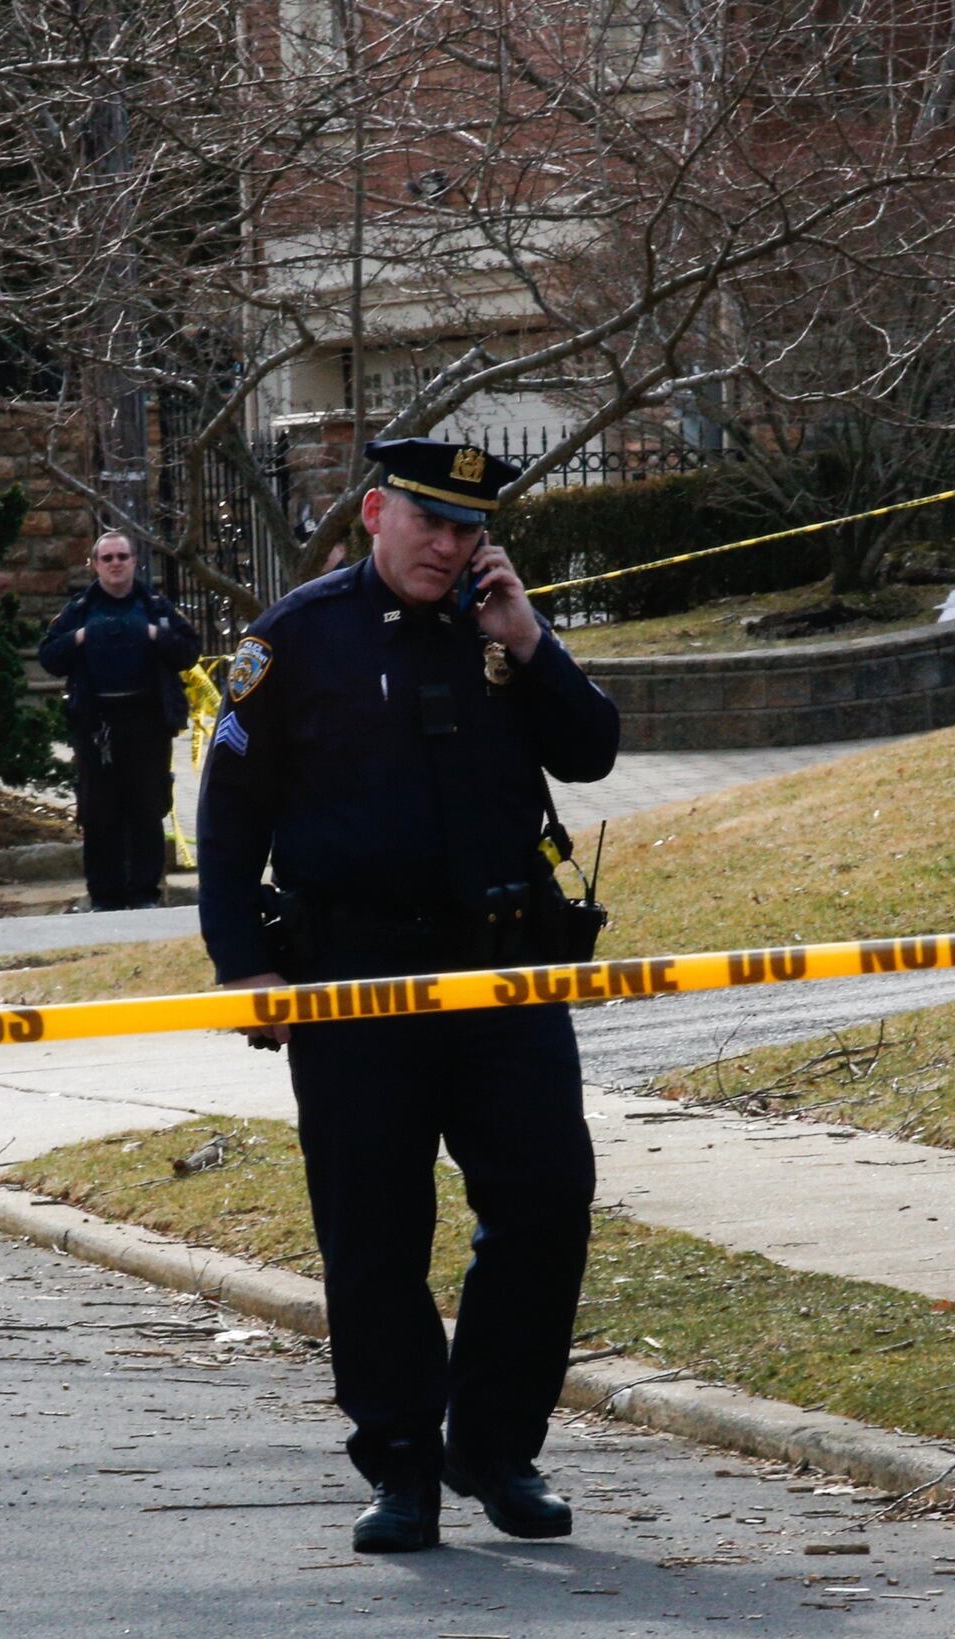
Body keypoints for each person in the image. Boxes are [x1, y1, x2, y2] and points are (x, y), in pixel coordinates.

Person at [195, 438, 619, 1554]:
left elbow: (591, 753)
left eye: (469, 528)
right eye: (430, 522)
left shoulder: (501, 632)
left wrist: (529, 642)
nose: (450, 544)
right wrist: (242, 966)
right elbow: (229, 816)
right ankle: (401, 1466)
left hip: (503, 970)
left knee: (544, 1200)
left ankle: (494, 1449)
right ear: (374, 513)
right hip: (353, 979)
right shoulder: (296, 637)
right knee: (374, 1229)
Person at [39, 532, 202, 911]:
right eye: (107, 557)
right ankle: (105, 897)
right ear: (95, 565)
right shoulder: (79, 610)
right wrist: (80, 637)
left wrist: (153, 634)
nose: (115, 563)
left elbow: (189, 650)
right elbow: (49, 656)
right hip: (96, 727)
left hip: (147, 724)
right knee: (99, 813)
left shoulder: (155, 607)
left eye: (122, 556)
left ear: (134, 562)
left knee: (147, 810)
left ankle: (145, 894)